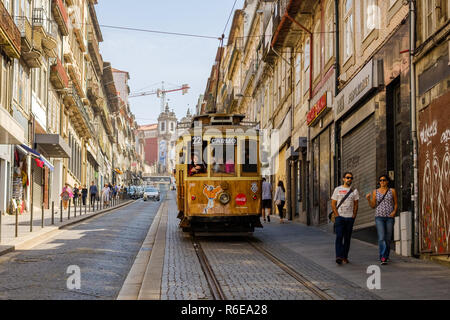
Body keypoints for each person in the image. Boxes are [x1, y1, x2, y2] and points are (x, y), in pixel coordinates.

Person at [366, 174, 398, 265]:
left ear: (387, 181)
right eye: (380, 180)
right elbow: (373, 206)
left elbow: (395, 203)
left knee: (388, 238)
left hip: (389, 217)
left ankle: (386, 255)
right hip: (379, 217)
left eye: (384, 180)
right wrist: (368, 199)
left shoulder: (392, 191)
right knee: (381, 237)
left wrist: (394, 212)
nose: (382, 182)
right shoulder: (375, 192)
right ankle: (383, 257)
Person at [331, 172, 359, 265]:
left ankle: (345, 256)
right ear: (343, 179)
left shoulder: (354, 191)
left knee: (347, 238)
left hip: (349, 218)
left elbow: (356, 204)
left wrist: (354, 215)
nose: (349, 179)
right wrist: (336, 215)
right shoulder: (337, 189)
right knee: (339, 236)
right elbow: (333, 203)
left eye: (351, 178)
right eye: (347, 177)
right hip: (340, 217)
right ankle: (338, 256)